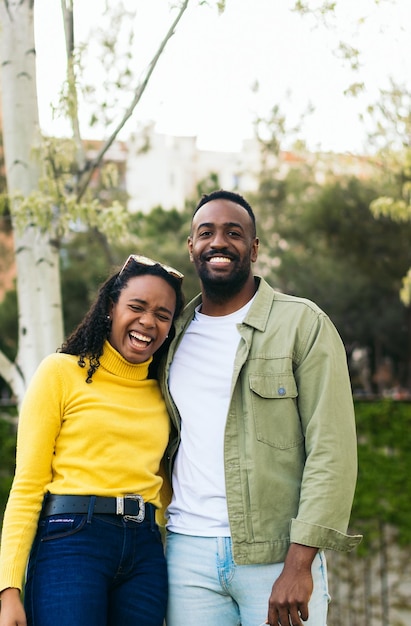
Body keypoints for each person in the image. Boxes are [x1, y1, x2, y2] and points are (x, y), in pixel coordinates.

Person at [160, 190, 362, 626]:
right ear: (191, 246)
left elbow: (333, 451)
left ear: (253, 248)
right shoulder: (170, 334)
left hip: (276, 557)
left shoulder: (302, 324)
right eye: (206, 232)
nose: (219, 242)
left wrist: (299, 564)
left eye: (234, 233)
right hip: (186, 553)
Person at [0, 254, 184, 626]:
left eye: (163, 315)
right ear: (110, 308)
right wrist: (8, 591)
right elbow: (28, 484)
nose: (148, 321)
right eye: (137, 307)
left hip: (145, 553)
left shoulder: (165, 392)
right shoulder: (60, 372)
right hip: (71, 540)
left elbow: (165, 487)